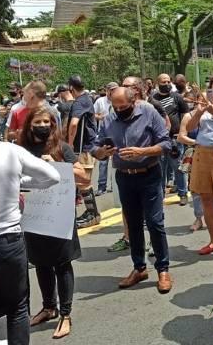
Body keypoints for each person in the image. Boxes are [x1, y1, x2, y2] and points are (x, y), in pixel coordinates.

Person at [91, 87, 173, 293]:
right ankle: (139, 267)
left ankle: (163, 269)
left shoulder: (149, 113)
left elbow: (166, 143)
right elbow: (95, 147)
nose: (119, 110)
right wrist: (101, 152)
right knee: (133, 224)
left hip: (149, 174)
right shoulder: (109, 120)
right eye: (115, 107)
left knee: (155, 223)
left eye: (123, 107)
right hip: (124, 177)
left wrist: (142, 151)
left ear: (134, 100)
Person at [17, 107, 84, 339]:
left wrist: (56, 165)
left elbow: (84, 177)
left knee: (62, 262)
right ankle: (48, 307)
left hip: (60, 215)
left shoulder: (61, 148)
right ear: (30, 125)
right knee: (41, 261)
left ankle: (66, 314)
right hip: (34, 216)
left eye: (47, 121)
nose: (44, 125)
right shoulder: (20, 150)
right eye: (39, 121)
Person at [0, 139, 60, 345]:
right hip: (7, 240)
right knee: (17, 308)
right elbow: (52, 176)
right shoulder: (8, 150)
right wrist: (17, 181)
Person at [186, 75, 213, 255]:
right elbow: (189, 128)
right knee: (206, 197)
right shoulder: (203, 106)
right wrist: (199, 111)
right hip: (202, 152)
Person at [67, 75, 100, 229]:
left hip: (83, 148)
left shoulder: (79, 102)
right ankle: (91, 212)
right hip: (88, 146)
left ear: (71, 88)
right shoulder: (87, 99)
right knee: (81, 182)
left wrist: (69, 144)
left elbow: (74, 124)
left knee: (83, 181)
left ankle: (93, 213)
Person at [152, 73, 189, 204]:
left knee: (178, 167)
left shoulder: (177, 97)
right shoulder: (152, 99)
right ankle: (160, 195)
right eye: (163, 82)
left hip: (175, 139)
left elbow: (185, 116)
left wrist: (183, 134)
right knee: (159, 169)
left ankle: (183, 194)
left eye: (168, 81)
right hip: (158, 140)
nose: (167, 84)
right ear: (158, 83)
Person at [93, 82, 119, 196]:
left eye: (116, 90)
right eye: (112, 90)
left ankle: (115, 186)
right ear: (107, 90)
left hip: (116, 133)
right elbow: (93, 115)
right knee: (103, 161)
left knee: (116, 159)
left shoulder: (119, 100)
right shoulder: (100, 101)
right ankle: (101, 186)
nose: (113, 92)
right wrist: (101, 117)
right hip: (103, 133)